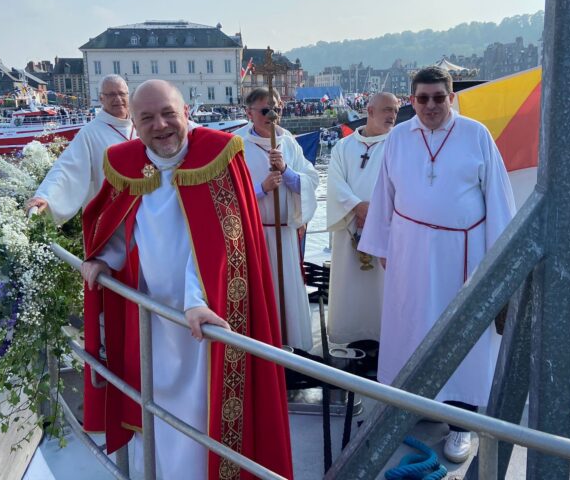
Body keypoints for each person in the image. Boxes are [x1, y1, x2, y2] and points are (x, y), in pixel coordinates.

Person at [79, 80, 293, 479]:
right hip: (152, 320)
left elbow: (220, 245)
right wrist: (104, 260)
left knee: (202, 415)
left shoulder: (217, 155)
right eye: (146, 118)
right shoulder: (127, 164)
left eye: (168, 114)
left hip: (208, 318)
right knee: (155, 410)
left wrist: (198, 301)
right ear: (134, 124)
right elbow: (124, 228)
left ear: (186, 113)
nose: (160, 126)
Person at [359, 66, 515, 464]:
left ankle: (462, 423)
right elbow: (384, 193)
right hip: (409, 252)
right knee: (409, 326)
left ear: (451, 98)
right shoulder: (398, 137)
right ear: (412, 100)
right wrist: (380, 244)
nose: (430, 106)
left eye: (438, 98)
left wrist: (500, 261)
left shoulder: (476, 135)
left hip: (464, 254)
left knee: (461, 333)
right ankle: (410, 407)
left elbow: (498, 198)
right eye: (422, 98)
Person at [234, 88, 319, 351]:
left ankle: (290, 345)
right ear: (249, 113)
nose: (272, 115)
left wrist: (286, 170)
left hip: (284, 232)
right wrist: (261, 188)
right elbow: (229, 190)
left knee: (286, 294)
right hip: (255, 232)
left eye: (276, 109)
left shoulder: (288, 142)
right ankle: (261, 346)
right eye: (264, 110)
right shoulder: (236, 145)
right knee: (261, 292)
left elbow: (310, 180)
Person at [326, 92, 399, 346]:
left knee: (382, 287)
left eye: (395, 111)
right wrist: (357, 207)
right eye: (387, 110)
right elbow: (334, 183)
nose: (392, 116)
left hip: (385, 227)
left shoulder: (398, 144)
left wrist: (375, 212)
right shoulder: (343, 146)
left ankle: (383, 338)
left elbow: (400, 185)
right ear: (369, 111)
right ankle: (347, 336)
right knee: (349, 285)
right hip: (349, 225)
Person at [25, 74, 135, 224]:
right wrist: (45, 196)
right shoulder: (90, 133)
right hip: (111, 217)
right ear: (101, 99)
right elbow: (67, 168)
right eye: (111, 94)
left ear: (128, 95)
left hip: (144, 209)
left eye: (122, 93)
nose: (118, 99)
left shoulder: (142, 125)